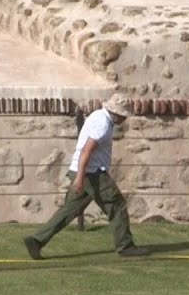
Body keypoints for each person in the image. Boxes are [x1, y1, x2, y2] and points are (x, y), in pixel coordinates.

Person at [23, 95, 149, 259]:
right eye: (124, 114)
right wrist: (80, 178)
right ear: (116, 113)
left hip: (82, 171)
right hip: (91, 173)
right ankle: (125, 246)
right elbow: (86, 151)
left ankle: (36, 240)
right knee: (117, 205)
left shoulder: (97, 116)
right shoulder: (102, 125)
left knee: (69, 211)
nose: (125, 118)